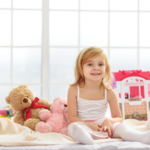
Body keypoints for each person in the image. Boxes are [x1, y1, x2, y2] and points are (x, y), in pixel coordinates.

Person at [67, 46, 150, 145]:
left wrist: (108, 121)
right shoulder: (74, 89)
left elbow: (118, 118)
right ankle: (86, 139)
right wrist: (89, 125)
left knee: (122, 126)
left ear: (106, 69)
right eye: (90, 64)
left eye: (101, 64)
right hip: (83, 123)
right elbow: (72, 117)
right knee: (73, 127)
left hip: (103, 126)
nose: (96, 68)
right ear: (81, 68)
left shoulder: (109, 92)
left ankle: (141, 137)